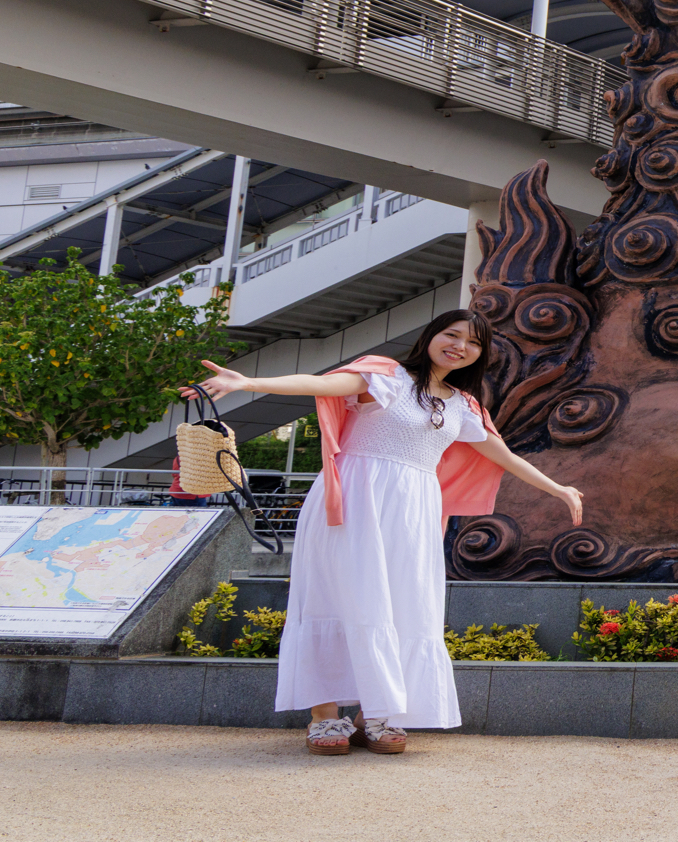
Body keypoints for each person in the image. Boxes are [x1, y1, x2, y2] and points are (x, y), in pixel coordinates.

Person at [181, 309, 583, 756]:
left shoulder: (463, 406)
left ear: (480, 354)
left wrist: (558, 488)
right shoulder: (387, 376)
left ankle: (376, 713)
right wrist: (249, 384)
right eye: (451, 335)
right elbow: (323, 384)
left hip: (414, 510)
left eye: (472, 343)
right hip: (355, 497)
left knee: (402, 604)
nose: (460, 346)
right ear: (431, 336)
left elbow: (504, 456)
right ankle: (323, 717)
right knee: (330, 597)